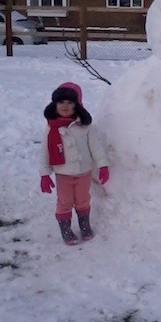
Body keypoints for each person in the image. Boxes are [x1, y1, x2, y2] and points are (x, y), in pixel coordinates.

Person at [39, 82, 109, 245]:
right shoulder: (51, 128)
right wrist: (44, 174)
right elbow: (44, 152)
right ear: (54, 104)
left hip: (84, 172)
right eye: (61, 102)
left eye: (70, 102)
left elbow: (96, 147)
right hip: (63, 174)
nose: (65, 106)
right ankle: (66, 230)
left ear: (77, 105)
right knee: (65, 202)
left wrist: (103, 165)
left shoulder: (85, 126)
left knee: (83, 200)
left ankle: (84, 226)